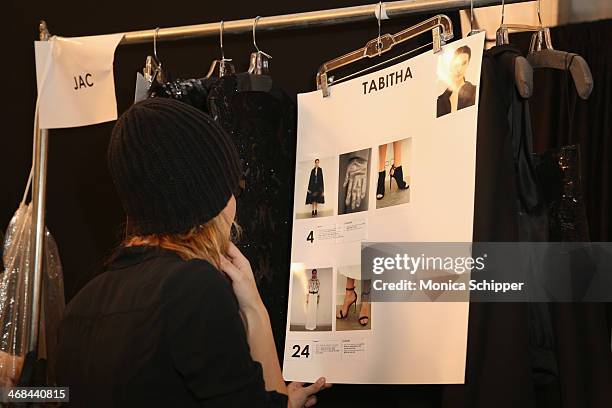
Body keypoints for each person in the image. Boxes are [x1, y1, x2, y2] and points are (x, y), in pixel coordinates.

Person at [54, 98, 330, 407]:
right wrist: (254, 309)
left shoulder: (81, 304)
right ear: (208, 199)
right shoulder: (192, 289)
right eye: (232, 188)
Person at [436, 45, 477, 118]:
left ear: (468, 64)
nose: (459, 69)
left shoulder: (475, 91)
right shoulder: (441, 100)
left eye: (463, 63)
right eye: (456, 64)